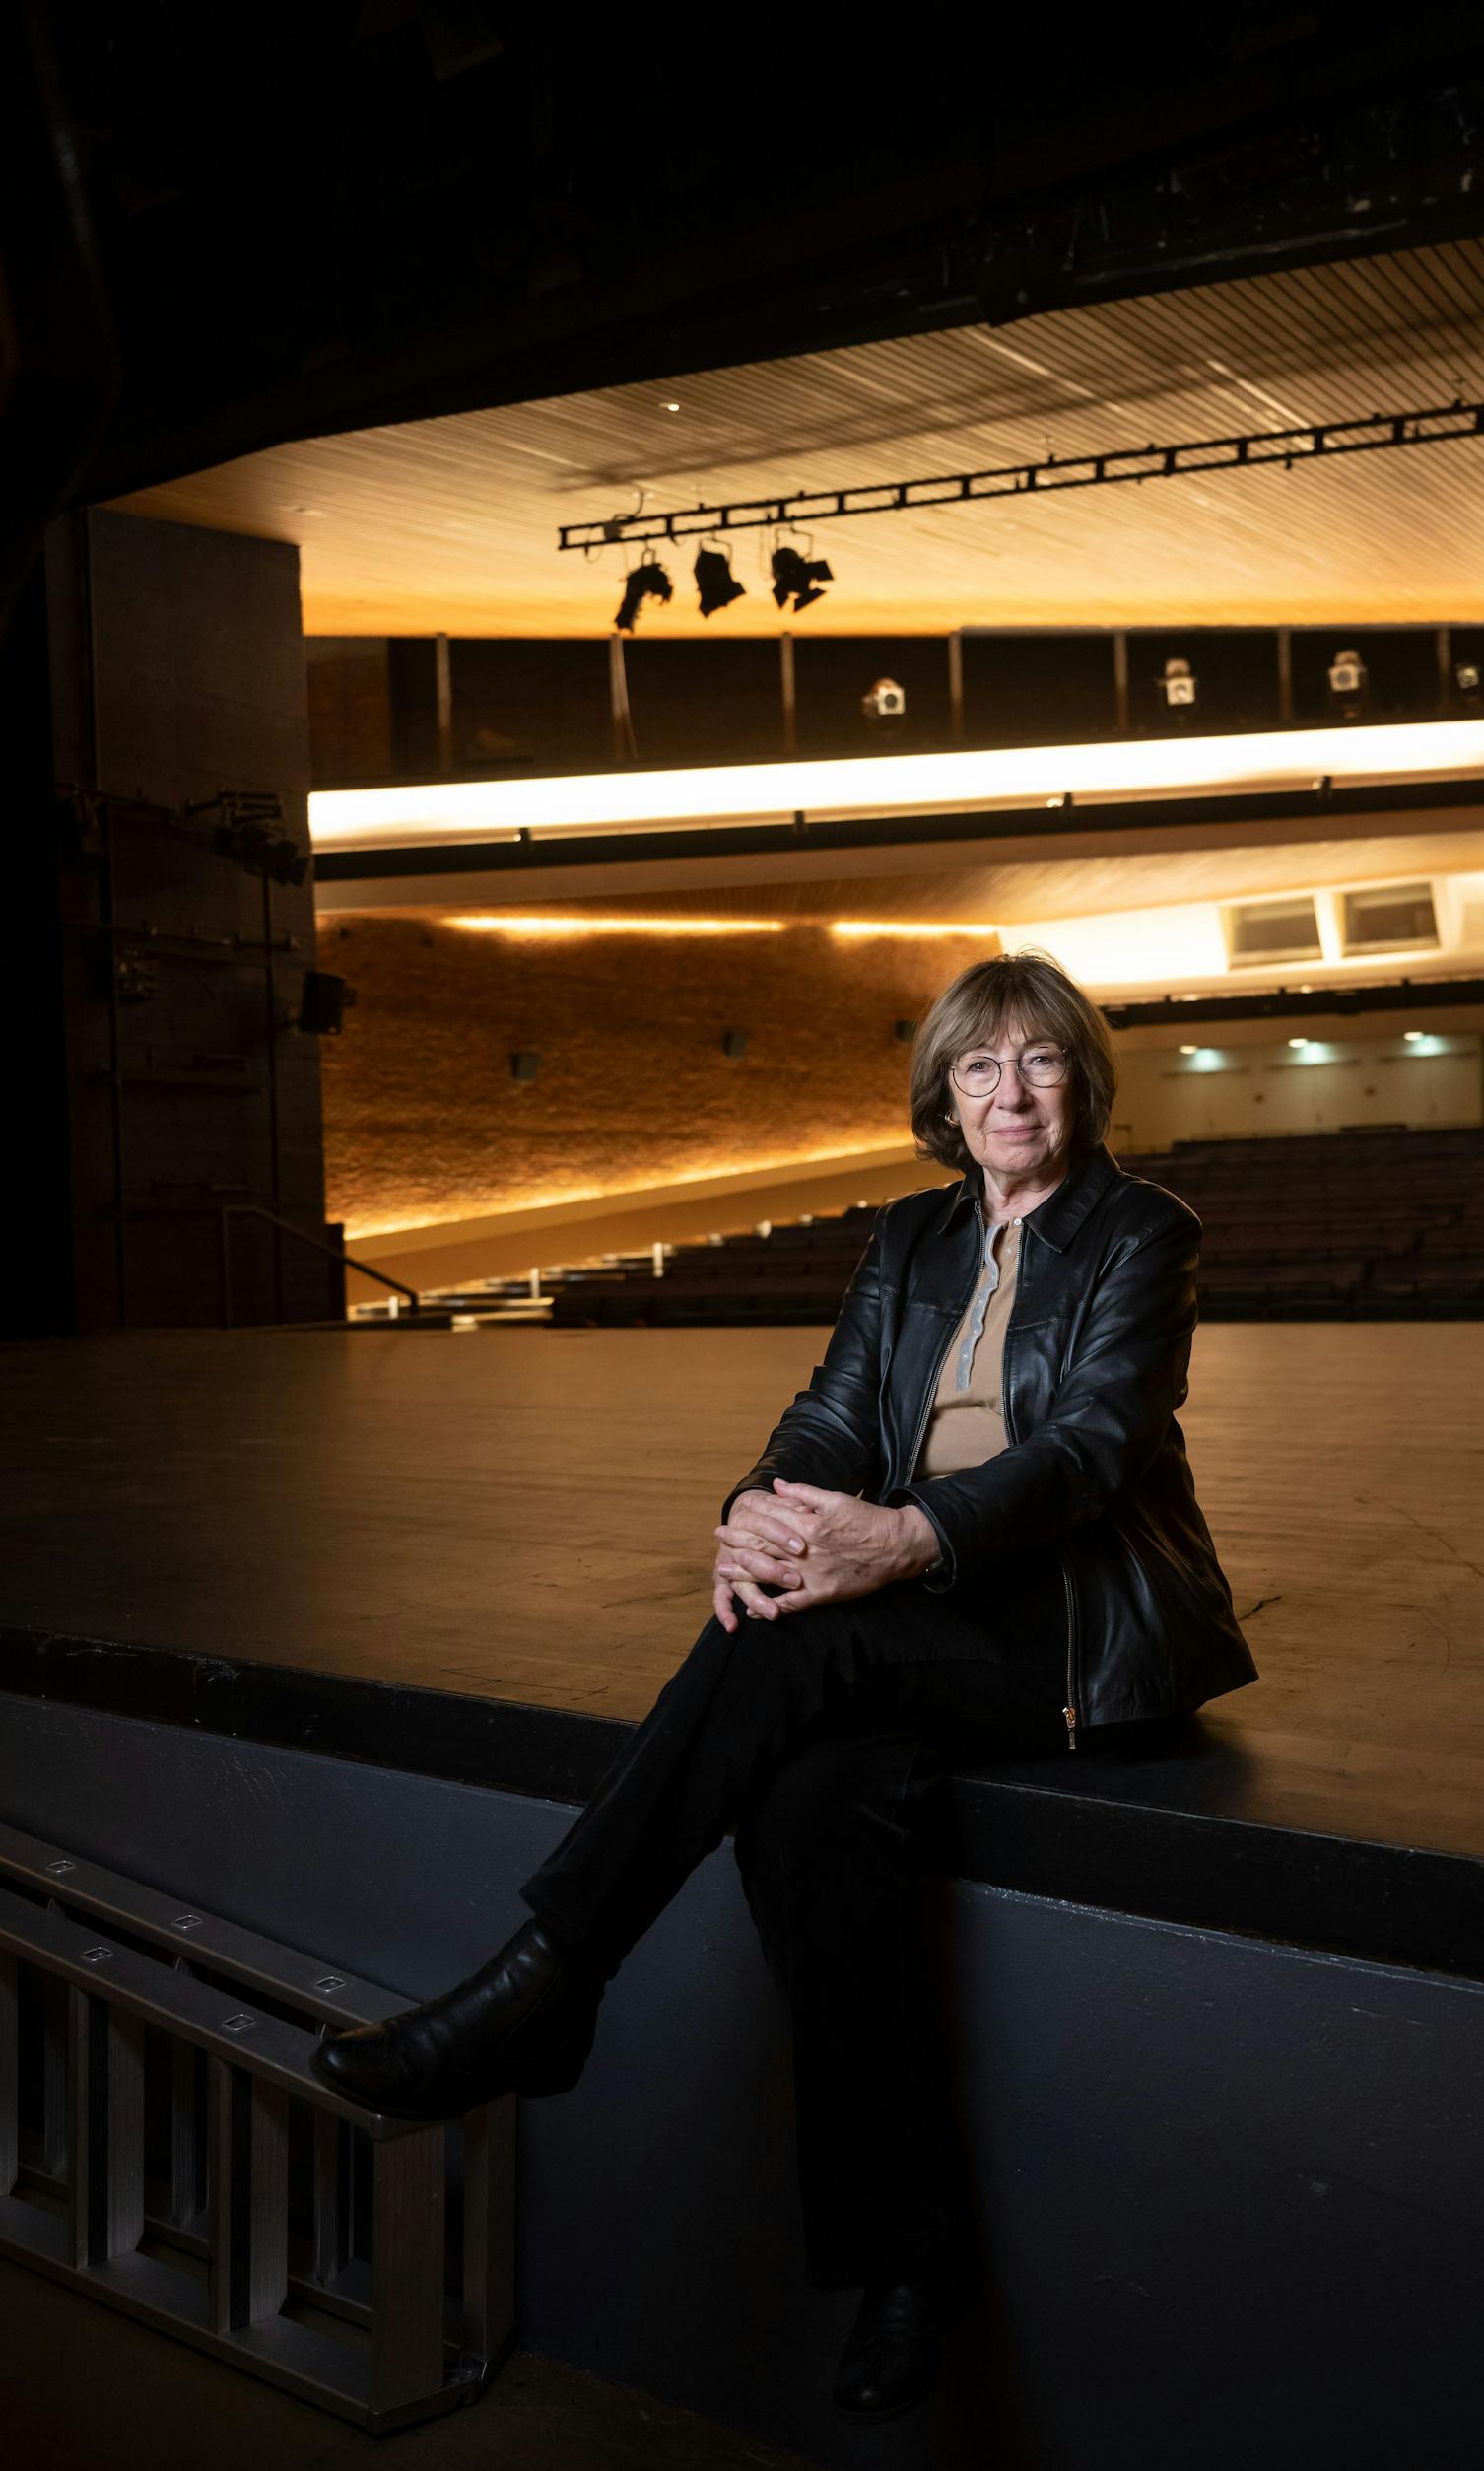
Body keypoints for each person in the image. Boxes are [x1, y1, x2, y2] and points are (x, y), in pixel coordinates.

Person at [312, 949, 1256, 2422]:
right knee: (812, 1802)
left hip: (1068, 1629)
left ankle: (549, 1980)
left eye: (1040, 1063)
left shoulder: (1144, 1233)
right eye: (979, 1069)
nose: (1012, 1094)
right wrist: (761, 1507)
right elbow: (829, 1412)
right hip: (907, 1608)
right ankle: (909, 2259)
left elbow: (1097, 1445)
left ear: (1084, 1078)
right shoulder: (908, 1237)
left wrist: (907, 1533)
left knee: (797, 1640)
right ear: (945, 1098)